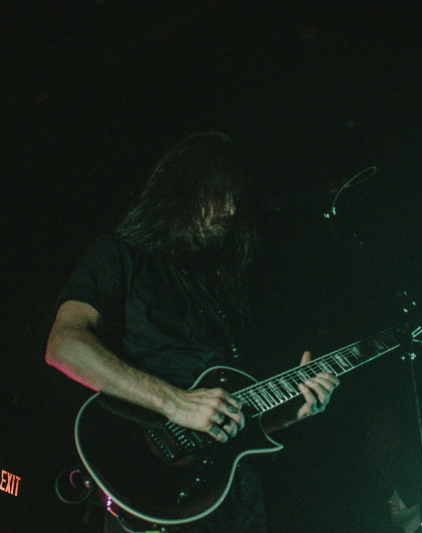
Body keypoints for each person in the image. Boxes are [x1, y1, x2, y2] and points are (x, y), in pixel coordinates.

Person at [45, 132, 340, 532]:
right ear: (183, 189)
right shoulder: (120, 254)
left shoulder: (224, 288)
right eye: (220, 194)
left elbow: (226, 417)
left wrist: (289, 413)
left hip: (229, 497)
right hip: (149, 484)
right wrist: (174, 403)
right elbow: (64, 345)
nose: (231, 209)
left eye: (236, 197)